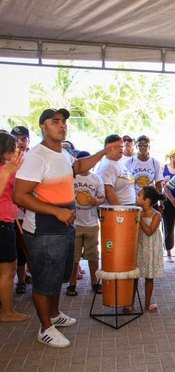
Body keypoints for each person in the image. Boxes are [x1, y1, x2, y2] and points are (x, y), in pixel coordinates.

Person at [14, 108, 122, 348]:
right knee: (45, 279)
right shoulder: (36, 157)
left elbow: (80, 166)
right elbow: (20, 196)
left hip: (64, 226)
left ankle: (54, 314)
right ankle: (45, 329)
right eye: (55, 121)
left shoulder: (62, 153)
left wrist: (105, 151)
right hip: (44, 230)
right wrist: (56, 211)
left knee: (58, 276)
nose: (62, 125)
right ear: (43, 126)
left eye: (63, 121)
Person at [66, 151, 105, 297]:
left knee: (93, 255)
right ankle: (72, 284)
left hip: (91, 222)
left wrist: (97, 201)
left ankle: (95, 282)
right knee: (73, 257)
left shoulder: (96, 179)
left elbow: (102, 197)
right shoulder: (70, 178)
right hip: (74, 222)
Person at [0, 131, 30, 322]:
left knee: (7, 269)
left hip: (7, 221)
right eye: (12, 149)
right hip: (2, 223)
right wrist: (9, 170)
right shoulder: (6, 169)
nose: (15, 152)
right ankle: (8, 312)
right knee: (7, 270)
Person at [133, 186, 165, 313]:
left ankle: (147, 304)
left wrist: (139, 218)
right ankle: (130, 303)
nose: (136, 198)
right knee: (134, 275)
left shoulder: (156, 214)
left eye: (139, 196)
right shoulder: (136, 211)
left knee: (149, 277)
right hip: (139, 246)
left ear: (147, 200)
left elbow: (149, 232)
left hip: (151, 248)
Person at [10, 126, 32, 294]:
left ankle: (25, 277)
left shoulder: (32, 158)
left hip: (29, 211)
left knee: (27, 247)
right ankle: (20, 279)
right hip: (12, 212)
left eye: (23, 139)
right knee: (16, 249)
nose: (20, 142)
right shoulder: (7, 160)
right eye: (17, 139)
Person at [97, 134, 136, 206]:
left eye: (122, 146)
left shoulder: (118, 162)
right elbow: (108, 191)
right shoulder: (108, 166)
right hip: (119, 209)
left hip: (128, 207)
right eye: (118, 147)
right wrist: (119, 210)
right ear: (109, 148)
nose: (121, 148)